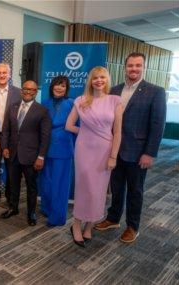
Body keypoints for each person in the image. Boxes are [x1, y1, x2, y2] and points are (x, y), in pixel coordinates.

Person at [94, 53, 167, 243]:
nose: (133, 69)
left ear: (144, 67)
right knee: (117, 188)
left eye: (138, 65)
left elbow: (158, 125)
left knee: (135, 191)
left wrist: (150, 153)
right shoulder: (114, 90)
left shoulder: (155, 91)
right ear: (125, 67)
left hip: (138, 152)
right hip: (114, 150)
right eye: (130, 65)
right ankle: (113, 218)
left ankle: (132, 226)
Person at [66, 66, 123, 247]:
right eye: (95, 77)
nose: (99, 80)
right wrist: (86, 132)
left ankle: (89, 225)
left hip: (104, 151)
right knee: (84, 189)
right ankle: (76, 225)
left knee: (98, 191)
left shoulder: (115, 100)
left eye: (102, 77)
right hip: (84, 151)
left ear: (107, 80)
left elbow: (118, 132)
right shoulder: (81, 100)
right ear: (90, 81)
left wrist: (113, 156)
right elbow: (69, 125)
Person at [0, 80, 51, 226]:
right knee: (13, 184)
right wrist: (4, 147)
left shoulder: (42, 110)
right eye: (26, 89)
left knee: (31, 187)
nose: (28, 92)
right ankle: (13, 208)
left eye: (32, 90)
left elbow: (45, 137)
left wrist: (41, 157)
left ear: (36, 92)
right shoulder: (12, 107)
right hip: (13, 155)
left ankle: (31, 213)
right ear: (22, 90)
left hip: (31, 157)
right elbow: (6, 130)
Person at [39, 76, 75, 227]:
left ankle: (57, 217)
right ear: (52, 86)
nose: (59, 88)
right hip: (45, 148)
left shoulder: (72, 103)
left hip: (63, 148)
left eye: (63, 86)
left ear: (66, 89)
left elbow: (76, 127)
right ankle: (46, 208)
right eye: (57, 85)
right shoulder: (45, 102)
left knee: (60, 184)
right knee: (46, 182)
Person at [0, 63, 21, 209]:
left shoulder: (19, 93)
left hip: (11, 138)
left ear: (9, 74)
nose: (2, 75)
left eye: (4, 73)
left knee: (11, 169)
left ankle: (10, 197)